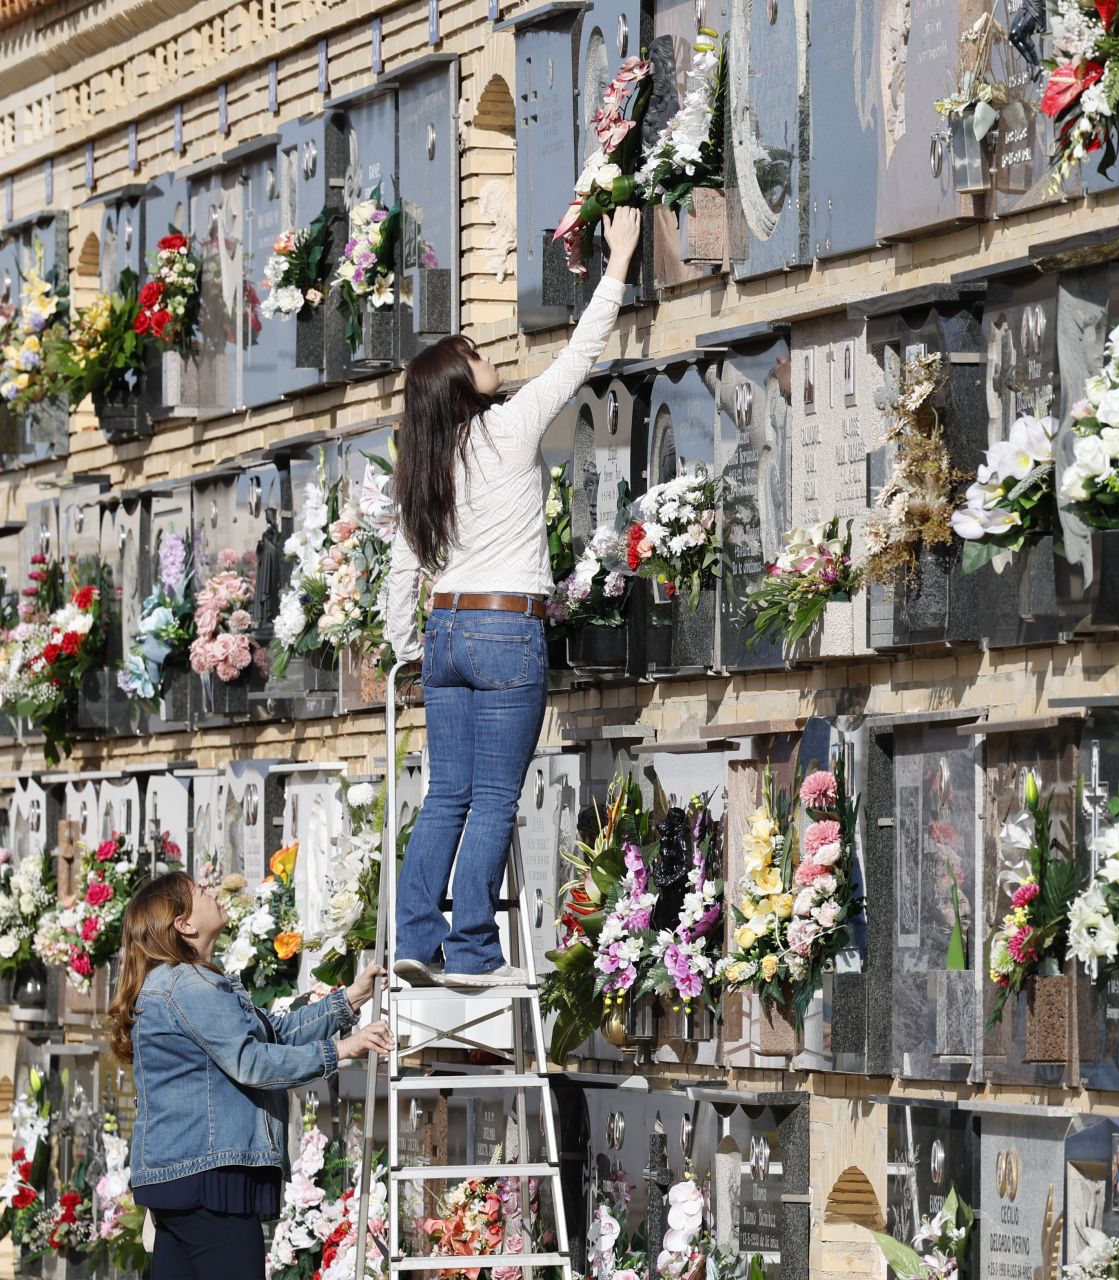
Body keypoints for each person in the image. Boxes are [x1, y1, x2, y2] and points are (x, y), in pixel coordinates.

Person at [384, 206, 645, 989]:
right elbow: (580, 355)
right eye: (473, 354)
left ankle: (413, 939)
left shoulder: (424, 465)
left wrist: (407, 645)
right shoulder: (508, 427)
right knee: (494, 795)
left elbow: (404, 569)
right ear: (457, 383)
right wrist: (621, 259)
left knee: (446, 797)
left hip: (445, 636)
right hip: (504, 633)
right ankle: (470, 954)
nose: (487, 356)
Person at [108, 872, 391, 1277]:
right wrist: (342, 1049)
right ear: (183, 924)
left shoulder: (190, 981)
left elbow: (274, 1034)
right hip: (210, 1183)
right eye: (200, 892)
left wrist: (349, 1000)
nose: (213, 891)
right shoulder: (187, 985)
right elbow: (253, 1062)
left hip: (190, 1182)